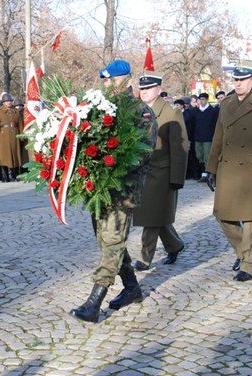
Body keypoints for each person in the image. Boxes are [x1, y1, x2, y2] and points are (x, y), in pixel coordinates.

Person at [69, 59, 157, 323]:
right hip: (100, 189)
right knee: (106, 239)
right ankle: (132, 288)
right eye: (105, 81)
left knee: (112, 241)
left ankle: (94, 302)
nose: (108, 85)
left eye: (112, 80)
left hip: (124, 189)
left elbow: (143, 153)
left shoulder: (140, 112)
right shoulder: (99, 109)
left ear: (127, 80)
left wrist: (111, 170)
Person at [205, 60, 252, 281]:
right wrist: (211, 168)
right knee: (222, 216)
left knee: (250, 219)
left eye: (242, 80)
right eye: (236, 80)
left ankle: (250, 264)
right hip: (228, 167)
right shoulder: (226, 104)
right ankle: (242, 252)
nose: (238, 84)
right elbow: (218, 138)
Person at [132, 71, 188, 271]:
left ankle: (144, 258)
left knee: (151, 216)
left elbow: (180, 148)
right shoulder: (137, 110)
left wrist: (177, 178)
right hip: (141, 173)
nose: (144, 92)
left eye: (148, 88)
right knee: (156, 215)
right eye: (142, 88)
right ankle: (175, 245)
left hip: (162, 174)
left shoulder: (171, 112)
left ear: (159, 89)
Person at [0, 93, 22, 182]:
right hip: (3, 136)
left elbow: (20, 125)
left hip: (14, 135)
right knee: (4, 156)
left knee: (14, 155)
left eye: (10, 101)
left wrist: (21, 135)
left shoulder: (16, 112)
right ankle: (5, 176)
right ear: (3, 102)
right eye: (6, 101)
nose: (8, 103)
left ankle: (12, 175)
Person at [192, 92, 219, 182]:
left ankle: (208, 175)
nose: (201, 101)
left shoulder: (213, 111)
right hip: (198, 137)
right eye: (200, 99)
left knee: (207, 157)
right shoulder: (196, 111)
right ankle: (203, 174)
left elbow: (215, 125)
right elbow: (193, 124)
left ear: (207, 100)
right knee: (199, 156)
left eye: (203, 99)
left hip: (208, 137)